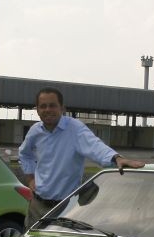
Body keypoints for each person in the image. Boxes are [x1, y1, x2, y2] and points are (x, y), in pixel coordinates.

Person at [19, 87, 144, 227]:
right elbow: (24, 154)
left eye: (52, 105)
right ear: (37, 110)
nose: (48, 110)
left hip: (65, 209)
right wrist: (30, 179)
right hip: (37, 206)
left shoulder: (74, 128)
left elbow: (95, 146)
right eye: (43, 106)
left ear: (62, 108)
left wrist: (116, 158)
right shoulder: (35, 131)